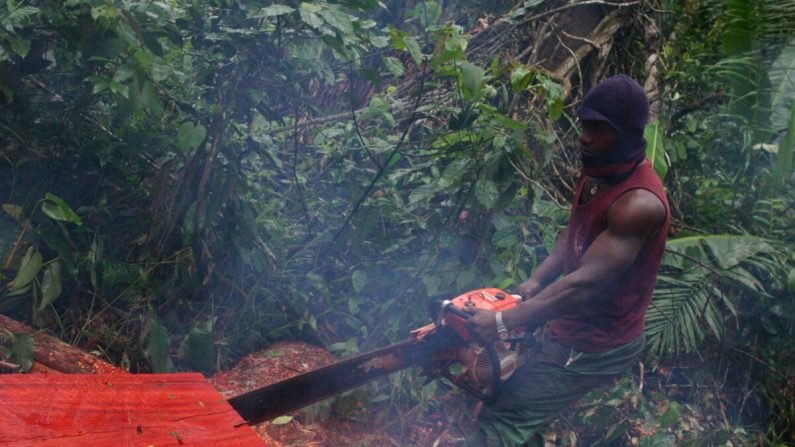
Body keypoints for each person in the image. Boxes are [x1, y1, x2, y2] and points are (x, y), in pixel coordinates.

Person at [465, 74, 670, 446]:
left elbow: (584, 284)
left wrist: (503, 321)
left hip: (596, 342)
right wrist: (536, 283)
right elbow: (574, 232)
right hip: (573, 323)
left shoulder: (638, 203)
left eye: (597, 128)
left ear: (624, 133)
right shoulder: (600, 169)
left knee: (501, 421)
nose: (584, 136)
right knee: (514, 405)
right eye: (584, 125)